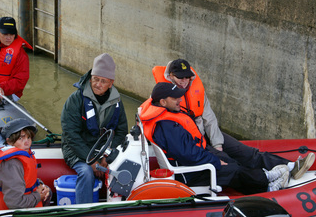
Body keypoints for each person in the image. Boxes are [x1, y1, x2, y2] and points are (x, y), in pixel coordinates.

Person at [152, 59, 315, 181]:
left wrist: (217, 143)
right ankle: (264, 178)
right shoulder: (166, 97)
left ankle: (291, 166)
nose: (184, 81)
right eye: (180, 77)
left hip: (206, 133)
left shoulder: (196, 90)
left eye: (187, 77)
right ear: (170, 76)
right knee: (229, 163)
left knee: (246, 152)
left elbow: (209, 117)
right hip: (194, 141)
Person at [140, 82, 314, 194]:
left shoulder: (166, 116)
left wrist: (216, 156)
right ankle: (267, 183)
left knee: (227, 159)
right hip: (188, 172)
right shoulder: (166, 126)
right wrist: (215, 162)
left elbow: (189, 148)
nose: (179, 99)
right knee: (230, 169)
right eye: (175, 97)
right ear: (162, 102)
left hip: (192, 158)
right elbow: (188, 154)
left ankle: (265, 175)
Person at [61, 53, 128, 204]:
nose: (97, 84)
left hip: (103, 149)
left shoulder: (117, 101)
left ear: (111, 83)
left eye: (103, 81)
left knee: (125, 168)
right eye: (95, 79)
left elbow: (122, 131)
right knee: (86, 172)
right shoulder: (75, 100)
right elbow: (71, 134)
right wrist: (91, 161)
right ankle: (83, 213)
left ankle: (118, 209)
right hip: (77, 150)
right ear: (90, 77)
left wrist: (106, 155)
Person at [0, 118, 51, 210]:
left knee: (49, 192)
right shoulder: (11, 164)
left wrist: (40, 185)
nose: (27, 143)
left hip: (18, 203)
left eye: (28, 137)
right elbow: (15, 203)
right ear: (9, 141)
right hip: (3, 215)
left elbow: (23, 179)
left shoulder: (17, 156)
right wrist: (38, 196)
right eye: (21, 138)